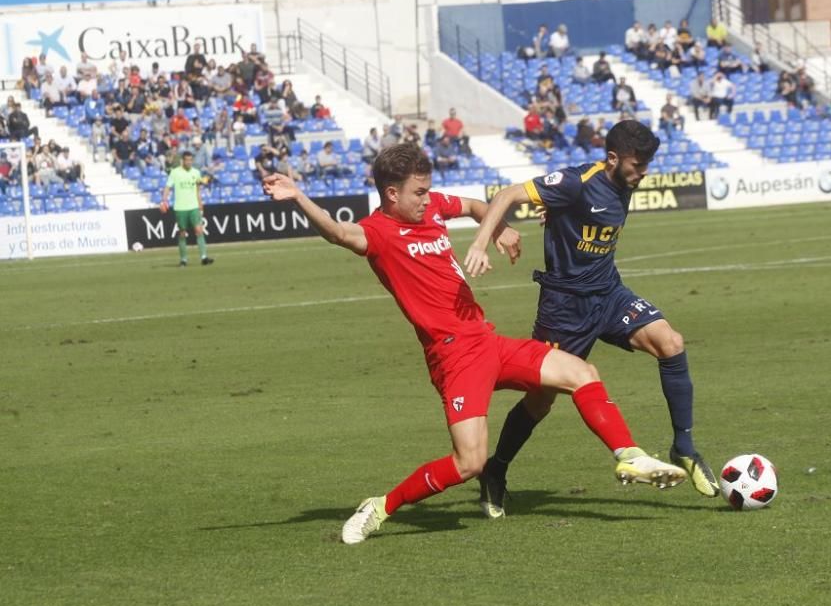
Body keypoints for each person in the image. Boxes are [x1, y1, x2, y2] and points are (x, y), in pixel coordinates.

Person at [261, 143, 684, 544]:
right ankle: (380, 506)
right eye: (419, 193)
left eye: (428, 190)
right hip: (453, 356)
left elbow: (475, 206)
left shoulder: (433, 209)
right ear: (392, 194)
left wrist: (498, 229)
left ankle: (629, 454)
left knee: (579, 371)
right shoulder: (378, 233)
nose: (429, 199)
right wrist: (298, 196)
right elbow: (336, 232)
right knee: (469, 462)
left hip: (487, 340)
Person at [463, 121, 719, 519]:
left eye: (648, 163)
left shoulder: (625, 183)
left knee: (671, 343)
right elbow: (509, 194)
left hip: (609, 294)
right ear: (613, 158)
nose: (644, 171)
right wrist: (482, 241)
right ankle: (495, 469)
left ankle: (683, 446)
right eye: (638, 164)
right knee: (541, 401)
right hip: (564, 309)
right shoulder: (576, 182)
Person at [161, 151, 213, 267]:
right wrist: (164, 200)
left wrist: (200, 203)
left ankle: (204, 257)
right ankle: (183, 260)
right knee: (182, 233)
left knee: (199, 230)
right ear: (182, 161)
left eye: (190, 160)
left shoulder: (196, 172)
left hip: (193, 206)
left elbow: (197, 189)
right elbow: (168, 187)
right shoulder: (175, 173)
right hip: (180, 208)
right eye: (187, 160)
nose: (189, 162)